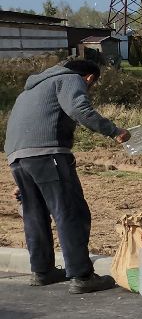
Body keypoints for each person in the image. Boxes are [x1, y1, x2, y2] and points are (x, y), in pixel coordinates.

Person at [6, 58, 129, 294]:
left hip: (17, 157)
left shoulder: (30, 90)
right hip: (48, 154)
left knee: (35, 214)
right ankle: (82, 276)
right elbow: (79, 109)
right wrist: (114, 131)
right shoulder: (70, 79)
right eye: (91, 85)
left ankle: (42, 271)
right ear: (90, 78)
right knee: (70, 211)